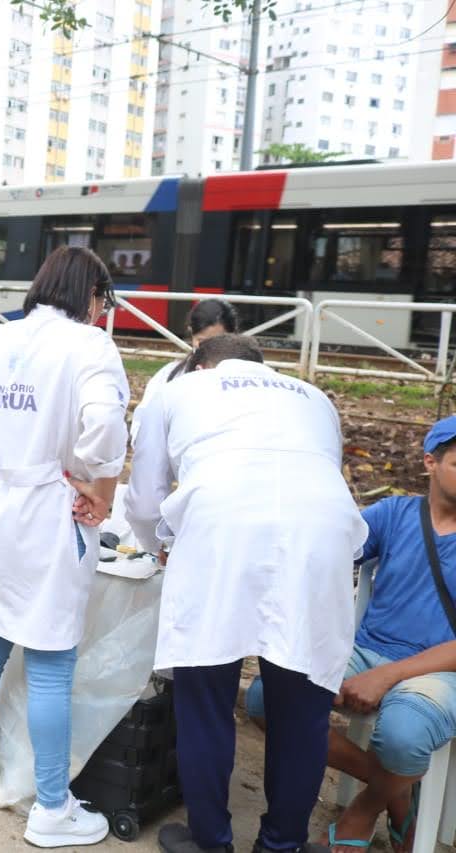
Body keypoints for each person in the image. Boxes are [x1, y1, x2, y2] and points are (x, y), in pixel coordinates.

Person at [125, 334, 368, 853]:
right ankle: (282, 843)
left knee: (206, 697)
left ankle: (210, 841)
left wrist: (157, 547)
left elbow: (144, 502)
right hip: (319, 539)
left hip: (220, 530)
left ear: (199, 367)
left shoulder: (175, 391)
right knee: (302, 705)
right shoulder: (313, 397)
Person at [0, 245, 129, 847]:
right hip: (48, 508)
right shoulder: (90, 345)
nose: (102, 312)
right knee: (51, 660)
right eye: (103, 300)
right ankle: (52, 806)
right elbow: (105, 425)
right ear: (90, 295)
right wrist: (96, 481)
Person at [245, 416, 456, 853]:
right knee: (268, 697)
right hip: (366, 650)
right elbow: (325, 551)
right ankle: (396, 793)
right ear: (430, 463)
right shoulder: (394, 514)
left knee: (403, 736)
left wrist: (387, 675)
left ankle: (364, 807)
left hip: (441, 669)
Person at [139, 299, 239, 406]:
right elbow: (147, 412)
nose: (210, 349)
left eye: (218, 342)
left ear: (233, 336)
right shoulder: (168, 375)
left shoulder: (244, 375)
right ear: (191, 334)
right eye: (202, 342)